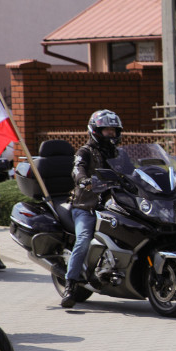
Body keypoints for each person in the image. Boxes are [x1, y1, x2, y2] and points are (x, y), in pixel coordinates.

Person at [60, 110, 123, 308]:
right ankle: (70, 285)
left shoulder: (116, 153)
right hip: (86, 206)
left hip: (113, 206)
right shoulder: (85, 151)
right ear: (95, 131)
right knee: (84, 239)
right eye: (107, 131)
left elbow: (130, 171)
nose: (111, 134)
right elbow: (77, 168)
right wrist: (83, 180)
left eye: (114, 131)